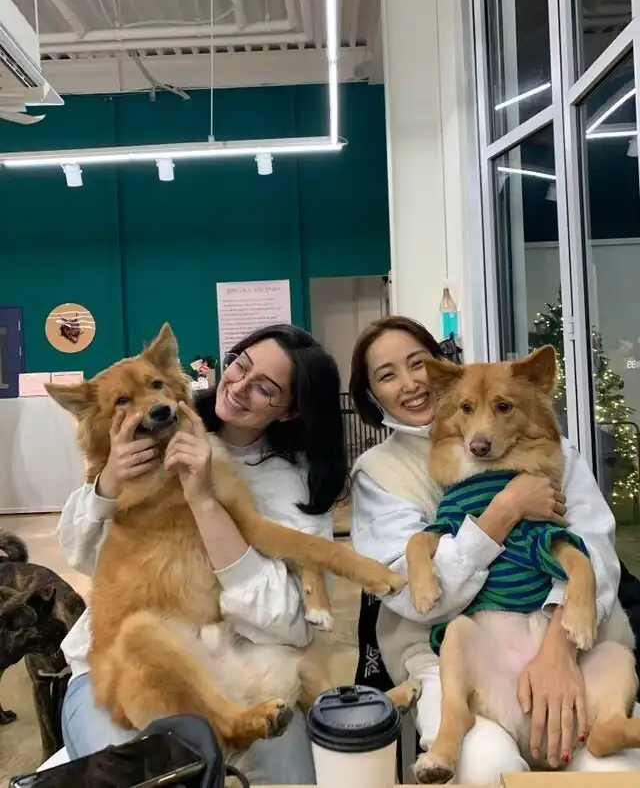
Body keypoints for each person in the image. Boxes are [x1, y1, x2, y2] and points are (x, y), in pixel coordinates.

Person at [349, 315, 640, 784]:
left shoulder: (550, 448)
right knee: (485, 765)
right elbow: (415, 597)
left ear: (441, 366)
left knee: (612, 769)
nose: (411, 383)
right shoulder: (377, 473)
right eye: (387, 375)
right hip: (454, 655)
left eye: (418, 364)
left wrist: (558, 647)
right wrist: (505, 509)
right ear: (370, 394)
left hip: (568, 638)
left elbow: (595, 548)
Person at [57, 324, 348, 785]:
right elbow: (79, 555)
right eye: (240, 365)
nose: (240, 386)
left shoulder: (295, 487)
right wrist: (107, 484)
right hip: (121, 664)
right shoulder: (136, 447)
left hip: (237, 662)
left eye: (265, 388)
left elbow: (294, 626)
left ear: (291, 409)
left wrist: (206, 504)